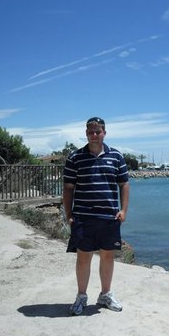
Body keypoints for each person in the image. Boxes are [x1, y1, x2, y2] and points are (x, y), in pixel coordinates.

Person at [63, 117, 130, 315]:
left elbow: (124, 185)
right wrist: (69, 214)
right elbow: (68, 188)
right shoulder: (75, 158)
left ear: (104, 133)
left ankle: (105, 294)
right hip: (83, 216)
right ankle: (81, 296)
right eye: (90, 132)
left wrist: (124, 210)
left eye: (97, 131)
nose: (94, 135)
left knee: (107, 256)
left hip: (109, 217)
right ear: (86, 134)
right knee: (84, 257)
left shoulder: (116, 156)